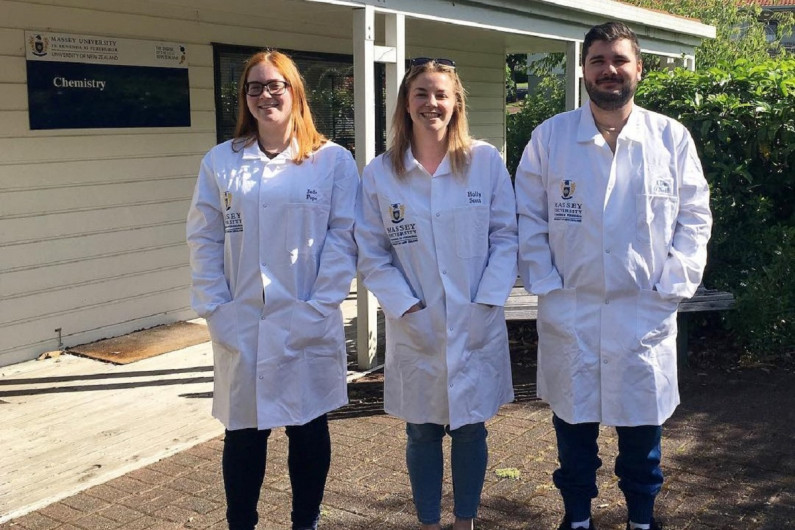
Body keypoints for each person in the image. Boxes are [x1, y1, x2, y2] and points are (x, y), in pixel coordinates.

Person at [515, 21, 712, 530]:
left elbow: (695, 217)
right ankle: (576, 519)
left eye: (620, 60)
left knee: (642, 444)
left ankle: (641, 520)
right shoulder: (550, 138)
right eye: (598, 60)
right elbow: (527, 219)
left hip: (641, 313)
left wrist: (672, 286)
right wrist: (547, 282)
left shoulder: (670, 138)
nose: (609, 70)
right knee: (574, 438)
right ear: (583, 70)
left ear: (639, 69)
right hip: (572, 310)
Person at [186, 50, 358, 530]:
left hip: (307, 316)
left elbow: (344, 239)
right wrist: (216, 308)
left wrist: (320, 306)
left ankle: (306, 521)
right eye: (254, 87)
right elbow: (203, 237)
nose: (265, 95)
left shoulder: (332, 161)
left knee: (308, 429)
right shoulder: (222, 161)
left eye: (275, 85)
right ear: (244, 98)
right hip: (241, 319)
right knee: (243, 435)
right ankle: (241, 523)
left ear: (295, 90)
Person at [355, 57, 518, 530]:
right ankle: (428, 522)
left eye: (441, 94)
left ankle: (465, 521)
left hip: (475, 318)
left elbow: (506, 236)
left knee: (470, 428)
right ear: (406, 104)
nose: (432, 103)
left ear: (456, 103)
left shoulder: (483, 161)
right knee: (421, 430)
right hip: (416, 321)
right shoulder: (382, 173)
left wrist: (487, 301)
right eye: (422, 94)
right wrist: (406, 307)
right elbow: (371, 252)